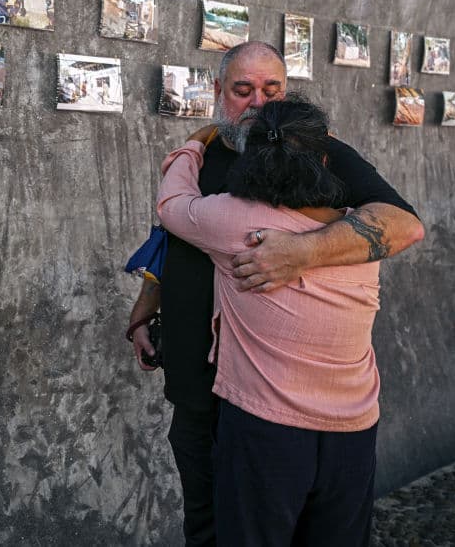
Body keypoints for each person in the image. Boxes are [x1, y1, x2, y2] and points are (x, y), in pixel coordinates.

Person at [127, 42, 423, 546]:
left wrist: (302, 252)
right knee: (206, 522)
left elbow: (402, 223)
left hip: (261, 402)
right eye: (243, 90)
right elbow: (168, 233)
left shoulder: (319, 150)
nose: (259, 103)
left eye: (272, 90)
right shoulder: (203, 155)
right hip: (196, 378)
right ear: (218, 91)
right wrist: (146, 308)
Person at [158, 97, 385, 545]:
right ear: (325, 160)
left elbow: (172, 202)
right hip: (354, 430)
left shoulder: (232, 222)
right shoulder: (361, 234)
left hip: (265, 431)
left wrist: (194, 144)